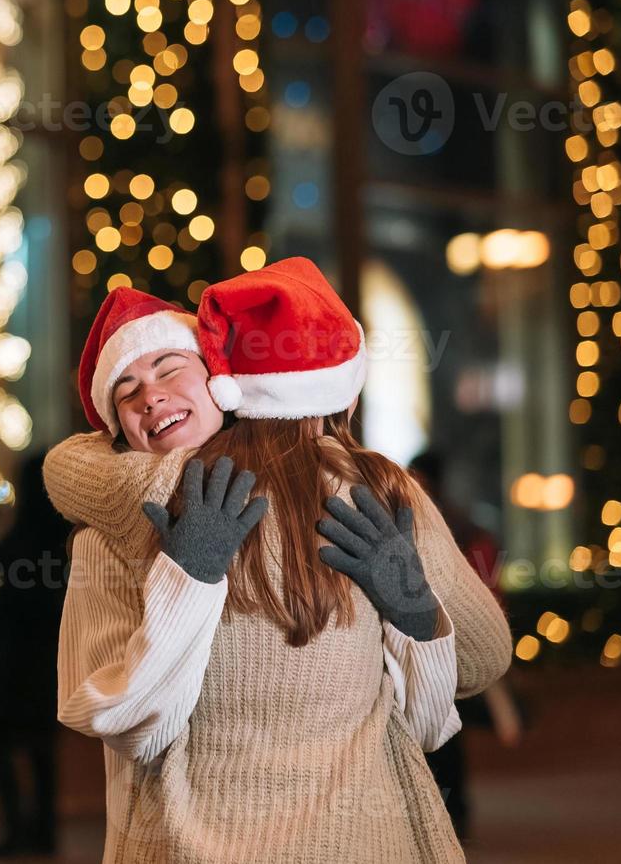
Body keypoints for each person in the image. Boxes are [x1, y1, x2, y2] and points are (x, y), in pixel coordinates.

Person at [49, 259, 513, 863]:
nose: (150, 394)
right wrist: (187, 577)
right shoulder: (112, 535)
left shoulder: (367, 494)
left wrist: (413, 608)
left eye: (169, 368)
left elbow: (463, 678)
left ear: (222, 381)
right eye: (125, 389)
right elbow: (130, 725)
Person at [409, 449, 522, 840]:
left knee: (442, 737)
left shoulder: (433, 522)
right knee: (444, 736)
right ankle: (453, 810)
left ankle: (451, 810)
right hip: (447, 640)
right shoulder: (454, 521)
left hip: (441, 639)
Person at [0, 450, 67, 857]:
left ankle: (16, 829)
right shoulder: (64, 533)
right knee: (41, 746)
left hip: (9, 655)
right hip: (44, 654)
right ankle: (43, 831)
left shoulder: (23, 530)